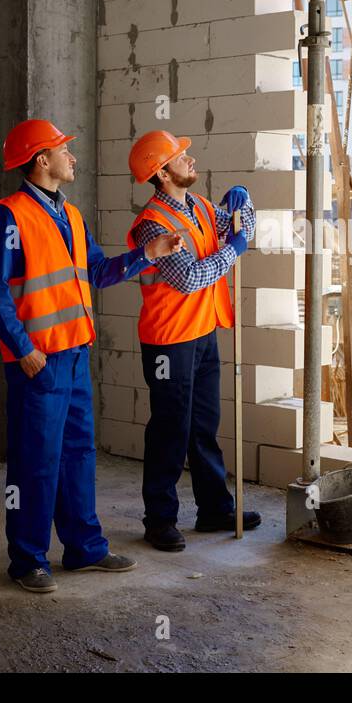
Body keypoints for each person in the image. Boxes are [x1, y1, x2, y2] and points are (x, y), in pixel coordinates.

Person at [0, 118, 183, 592]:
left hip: (74, 356)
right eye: (62, 150)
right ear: (40, 160)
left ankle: (84, 548)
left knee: (76, 454)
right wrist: (23, 350)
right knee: (35, 461)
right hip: (39, 362)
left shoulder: (70, 216)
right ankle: (28, 559)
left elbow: (98, 272)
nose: (72, 157)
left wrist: (147, 253)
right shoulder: (7, 216)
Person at [125, 129, 257, 551]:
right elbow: (189, 278)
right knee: (170, 430)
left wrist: (243, 198)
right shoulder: (151, 226)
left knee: (203, 426)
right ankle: (159, 520)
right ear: (162, 173)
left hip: (202, 333)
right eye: (180, 156)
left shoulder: (199, 207)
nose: (190, 158)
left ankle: (214, 508)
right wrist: (234, 248)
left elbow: (240, 225)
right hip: (169, 342)